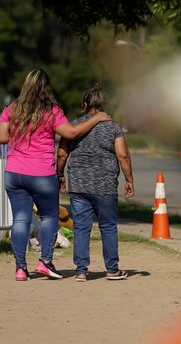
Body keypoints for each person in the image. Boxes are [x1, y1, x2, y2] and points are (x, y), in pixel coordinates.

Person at [0, 69, 110, 281]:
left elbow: (2, 138)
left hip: (14, 173)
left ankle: (20, 269)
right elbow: (72, 133)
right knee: (49, 216)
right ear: (46, 88)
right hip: (42, 174)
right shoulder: (52, 111)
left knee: (20, 219)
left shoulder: (11, 109)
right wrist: (97, 118)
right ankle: (45, 261)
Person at [57, 84, 134, 282]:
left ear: (84, 105)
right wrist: (129, 179)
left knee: (81, 227)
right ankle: (112, 269)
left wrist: (60, 174)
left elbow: (63, 152)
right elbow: (122, 155)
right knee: (108, 226)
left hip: (79, 184)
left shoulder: (73, 126)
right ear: (102, 105)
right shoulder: (113, 127)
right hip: (105, 185)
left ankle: (81, 270)